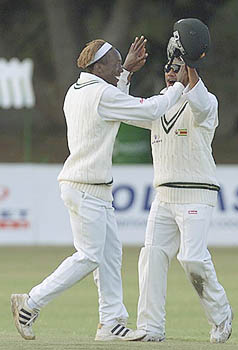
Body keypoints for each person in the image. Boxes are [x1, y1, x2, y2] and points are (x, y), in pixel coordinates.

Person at [11, 36, 188, 342]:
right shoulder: (100, 94)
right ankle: (30, 302)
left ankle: (111, 322)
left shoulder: (78, 89)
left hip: (92, 187)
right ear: (99, 66)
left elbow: (112, 106)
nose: (120, 66)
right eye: (116, 63)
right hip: (85, 186)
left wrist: (126, 73)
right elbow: (146, 110)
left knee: (108, 256)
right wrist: (179, 87)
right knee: (90, 256)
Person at [130, 19, 233, 343]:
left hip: (196, 194)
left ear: (189, 69)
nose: (171, 72)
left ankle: (221, 316)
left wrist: (189, 63)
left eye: (178, 67)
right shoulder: (158, 105)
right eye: (168, 68)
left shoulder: (206, 103)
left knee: (191, 258)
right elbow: (126, 111)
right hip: (163, 196)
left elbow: (199, 103)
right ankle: (151, 327)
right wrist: (126, 75)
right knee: (151, 257)